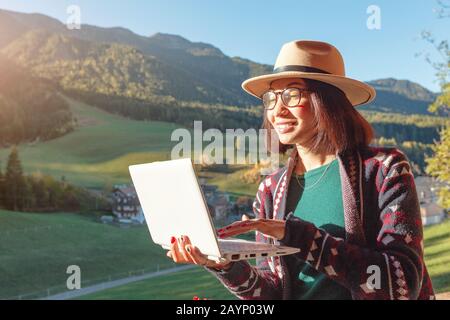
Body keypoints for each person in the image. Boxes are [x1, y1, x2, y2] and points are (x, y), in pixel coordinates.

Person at [166, 40, 435, 300]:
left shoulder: (384, 170)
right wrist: (225, 264)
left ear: (327, 101)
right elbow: (273, 291)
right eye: (271, 98)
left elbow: (402, 284)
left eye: (292, 95)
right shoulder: (271, 190)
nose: (277, 109)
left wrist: (297, 236)